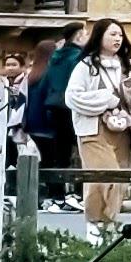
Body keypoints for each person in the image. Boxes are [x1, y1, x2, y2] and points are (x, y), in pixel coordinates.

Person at [68, 17, 131, 213]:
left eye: (120, 35)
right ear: (99, 37)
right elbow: (72, 97)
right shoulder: (86, 66)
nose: (118, 39)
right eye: (112, 34)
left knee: (121, 180)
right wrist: (106, 99)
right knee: (103, 176)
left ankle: (110, 223)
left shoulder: (128, 65)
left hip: (124, 129)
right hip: (93, 128)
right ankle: (95, 224)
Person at [26, 25, 84, 186]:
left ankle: (55, 194)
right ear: (78, 36)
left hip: (48, 115)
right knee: (74, 154)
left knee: (58, 157)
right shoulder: (78, 58)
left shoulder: (53, 62)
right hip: (67, 110)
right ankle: (71, 193)